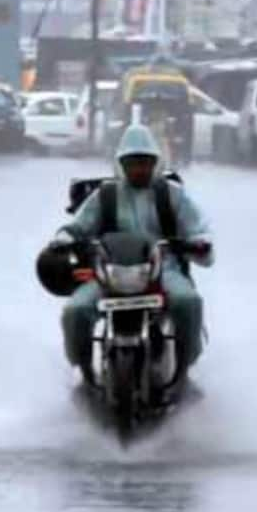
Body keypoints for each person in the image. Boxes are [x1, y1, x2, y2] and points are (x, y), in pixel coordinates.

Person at [51, 124, 214, 386]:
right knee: (75, 310)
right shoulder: (105, 196)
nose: (139, 168)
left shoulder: (173, 195)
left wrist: (199, 244)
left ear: (156, 163)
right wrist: (63, 239)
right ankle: (83, 369)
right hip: (110, 272)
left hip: (164, 269)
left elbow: (198, 228)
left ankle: (184, 369)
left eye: (145, 162)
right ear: (121, 164)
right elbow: (77, 227)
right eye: (133, 162)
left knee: (188, 302)